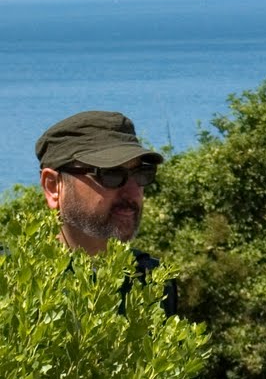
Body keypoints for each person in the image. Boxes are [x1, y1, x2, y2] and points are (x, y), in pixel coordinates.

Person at [35, 110, 177, 314]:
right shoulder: (14, 279)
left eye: (141, 173)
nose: (132, 192)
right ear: (53, 186)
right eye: (111, 174)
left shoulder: (153, 280)